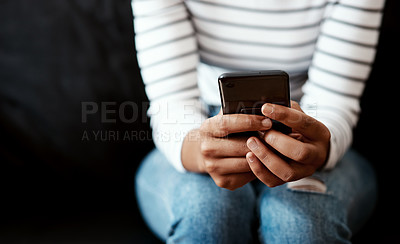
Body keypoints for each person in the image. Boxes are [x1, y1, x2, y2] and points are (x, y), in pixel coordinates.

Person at [132, 0, 384, 243]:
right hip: (197, 127)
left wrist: (317, 147)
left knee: (301, 226)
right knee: (208, 218)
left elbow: (334, 102)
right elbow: (172, 105)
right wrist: (200, 152)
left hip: (311, 125)